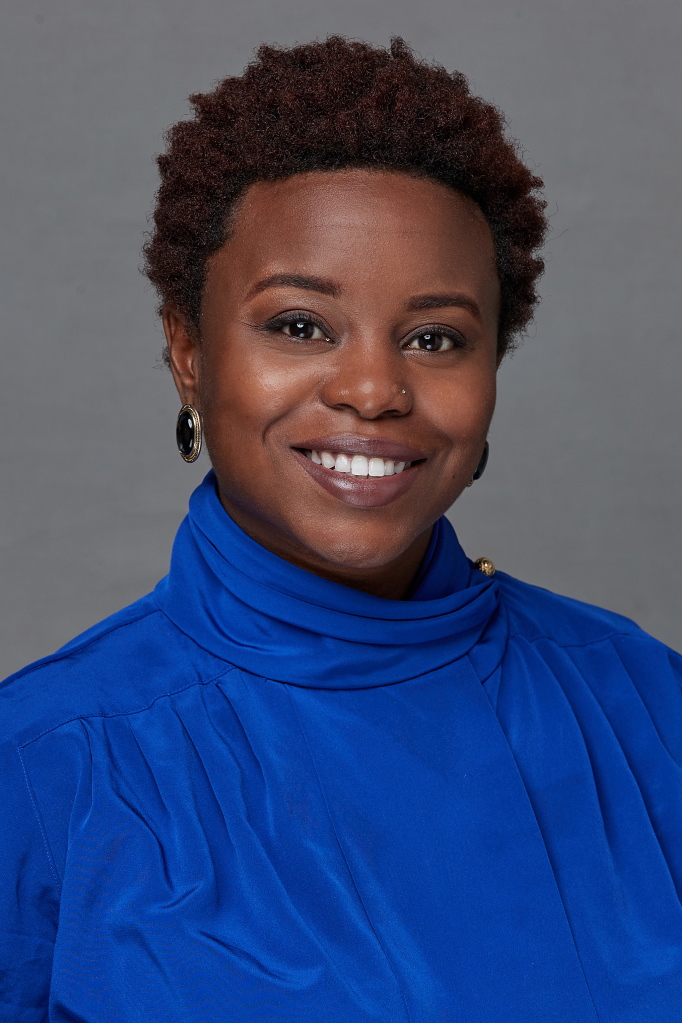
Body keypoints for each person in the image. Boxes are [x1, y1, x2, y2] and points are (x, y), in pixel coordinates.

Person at [1, 36, 680, 1023]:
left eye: (434, 337)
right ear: (188, 353)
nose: (373, 388)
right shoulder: (45, 764)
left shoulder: (646, 702)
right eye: (300, 325)